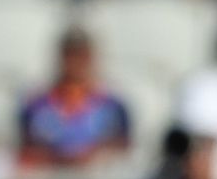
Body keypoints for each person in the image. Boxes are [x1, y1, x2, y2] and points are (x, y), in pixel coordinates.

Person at [17, 28, 132, 169]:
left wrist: (94, 155)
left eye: (82, 55)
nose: (75, 62)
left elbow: (123, 149)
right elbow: (26, 149)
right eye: (70, 55)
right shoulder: (36, 105)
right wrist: (60, 158)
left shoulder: (113, 106)